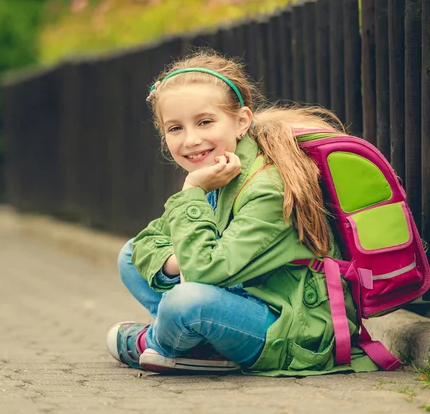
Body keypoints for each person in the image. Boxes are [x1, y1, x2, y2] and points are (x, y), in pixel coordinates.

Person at [106, 50, 380, 376]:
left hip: (286, 324)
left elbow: (204, 275)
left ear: (241, 121)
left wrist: (192, 191)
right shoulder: (220, 170)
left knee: (185, 301)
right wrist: (180, 259)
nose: (191, 140)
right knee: (130, 254)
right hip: (239, 293)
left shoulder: (266, 187)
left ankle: (151, 342)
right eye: (175, 128)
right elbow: (152, 240)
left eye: (205, 122)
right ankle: (199, 344)